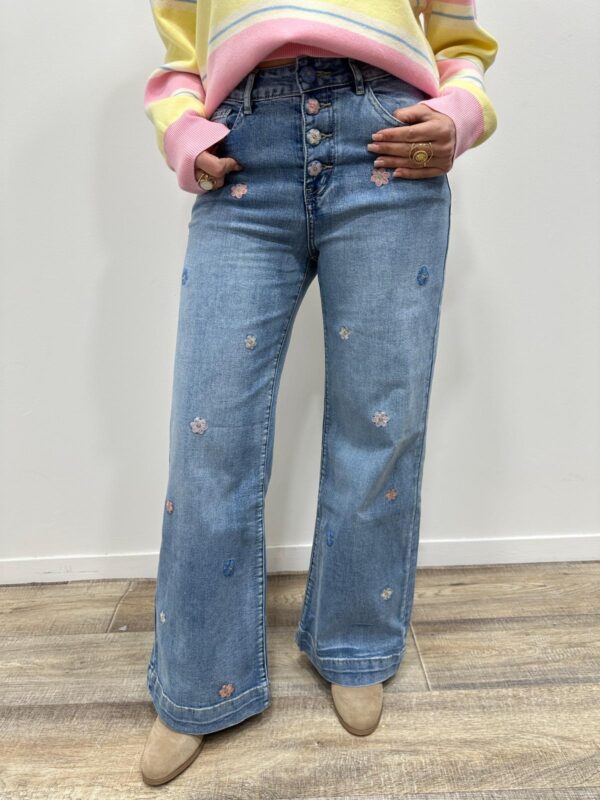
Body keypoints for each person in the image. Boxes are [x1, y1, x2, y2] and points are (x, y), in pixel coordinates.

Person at [139, 0, 498, 786]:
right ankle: (198, 681)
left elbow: (460, 44)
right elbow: (181, 55)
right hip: (245, 149)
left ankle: (355, 643)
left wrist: (461, 114)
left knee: (380, 421)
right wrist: (183, 132)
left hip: (386, 144)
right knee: (209, 435)